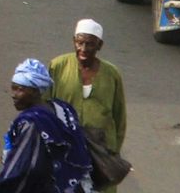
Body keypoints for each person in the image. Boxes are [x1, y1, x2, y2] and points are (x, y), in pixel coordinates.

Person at [0, 58, 92, 193]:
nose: (13, 95)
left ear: (36, 91)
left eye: (20, 89)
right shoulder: (63, 108)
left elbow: (22, 168)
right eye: (13, 88)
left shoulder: (32, 122)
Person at [48, 21, 127, 192]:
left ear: (99, 45)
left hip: (101, 148)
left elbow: (119, 117)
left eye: (90, 43)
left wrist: (113, 150)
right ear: (73, 42)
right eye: (79, 42)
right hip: (66, 144)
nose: (83, 48)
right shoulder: (57, 66)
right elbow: (45, 106)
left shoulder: (112, 74)